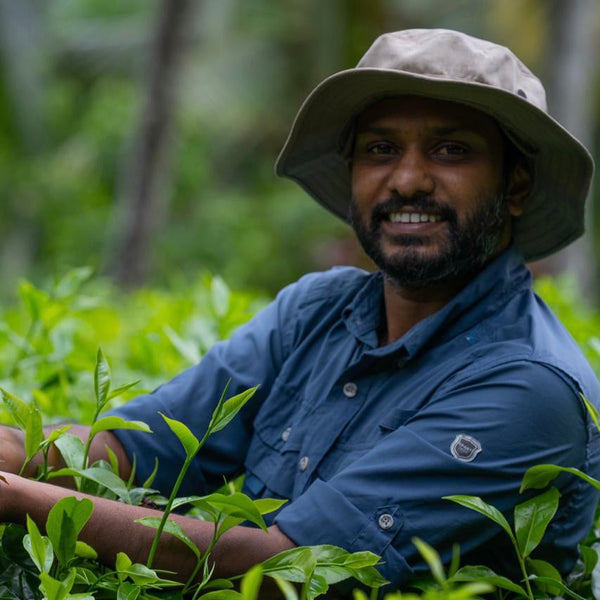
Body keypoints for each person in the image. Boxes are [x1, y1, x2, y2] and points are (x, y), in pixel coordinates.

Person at [0, 28, 598, 594]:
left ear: (515, 185)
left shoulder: (527, 387)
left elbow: (287, 570)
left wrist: (17, 497)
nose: (409, 179)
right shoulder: (317, 311)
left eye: (451, 149)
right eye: (381, 148)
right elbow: (136, 449)